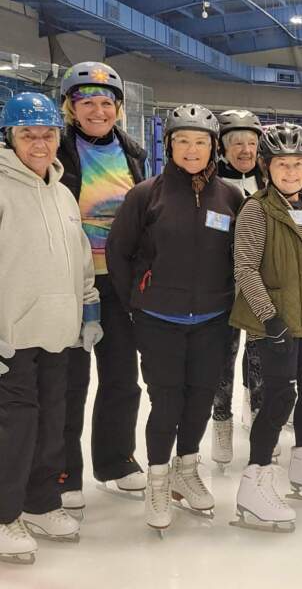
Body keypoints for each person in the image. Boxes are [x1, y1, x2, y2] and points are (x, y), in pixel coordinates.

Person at [106, 104, 242, 532]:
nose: (192, 149)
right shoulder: (146, 194)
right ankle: (159, 479)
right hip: (159, 317)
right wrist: (137, 300)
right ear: (168, 146)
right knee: (166, 401)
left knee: (200, 397)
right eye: (182, 141)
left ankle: (187, 468)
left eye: (200, 142)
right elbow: (118, 252)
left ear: (213, 148)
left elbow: (241, 255)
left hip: (212, 317)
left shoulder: (231, 196)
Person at [230, 123, 302, 531]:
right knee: (278, 401)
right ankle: (254, 482)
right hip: (277, 325)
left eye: (297, 164)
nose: (291, 172)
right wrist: (269, 318)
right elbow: (245, 269)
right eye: (282, 165)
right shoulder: (256, 210)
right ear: (266, 167)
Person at [0, 93, 101, 564]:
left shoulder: (62, 193)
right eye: (28, 134)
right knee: (14, 428)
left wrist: (90, 309)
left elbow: (80, 260)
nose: (39, 143)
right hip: (11, 338)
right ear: (10, 136)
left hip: (58, 334)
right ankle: (4, 515)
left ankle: (40, 502)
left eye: (47, 134)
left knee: (52, 423)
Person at [57, 62, 147, 512]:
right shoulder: (56, 150)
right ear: (70, 108)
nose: (97, 110)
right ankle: (63, 472)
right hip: (71, 281)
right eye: (86, 102)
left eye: (105, 103)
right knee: (68, 382)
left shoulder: (133, 151)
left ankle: (115, 461)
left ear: (118, 108)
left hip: (118, 281)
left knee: (121, 379)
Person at [211, 109, 267, 468]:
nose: (244, 150)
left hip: (263, 285)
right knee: (223, 357)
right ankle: (221, 421)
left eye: (250, 142)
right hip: (224, 287)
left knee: (261, 355)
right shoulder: (213, 184)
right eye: (236, 143)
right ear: (223, 147)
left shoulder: (269, 181)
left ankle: (259, 413)